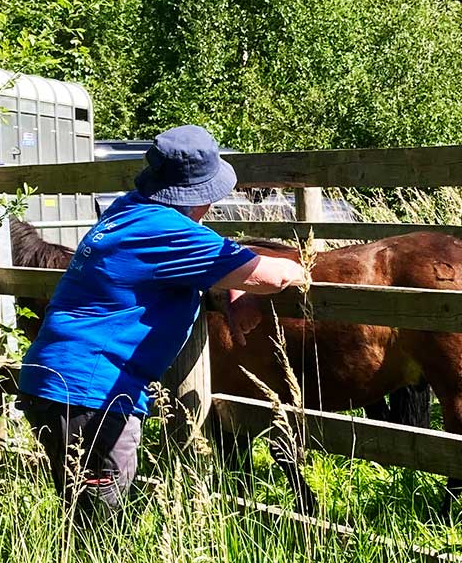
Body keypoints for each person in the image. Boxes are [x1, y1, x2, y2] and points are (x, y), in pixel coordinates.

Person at [19, 125, 306, 522]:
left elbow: (173, 272)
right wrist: (297, 263)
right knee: (100, 526)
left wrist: (218, 285)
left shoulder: (130, 210)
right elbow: (269, 277)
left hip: (57, 379)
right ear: (202, 195)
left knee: (82, 511)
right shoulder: (167, 232)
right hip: (90, 391)